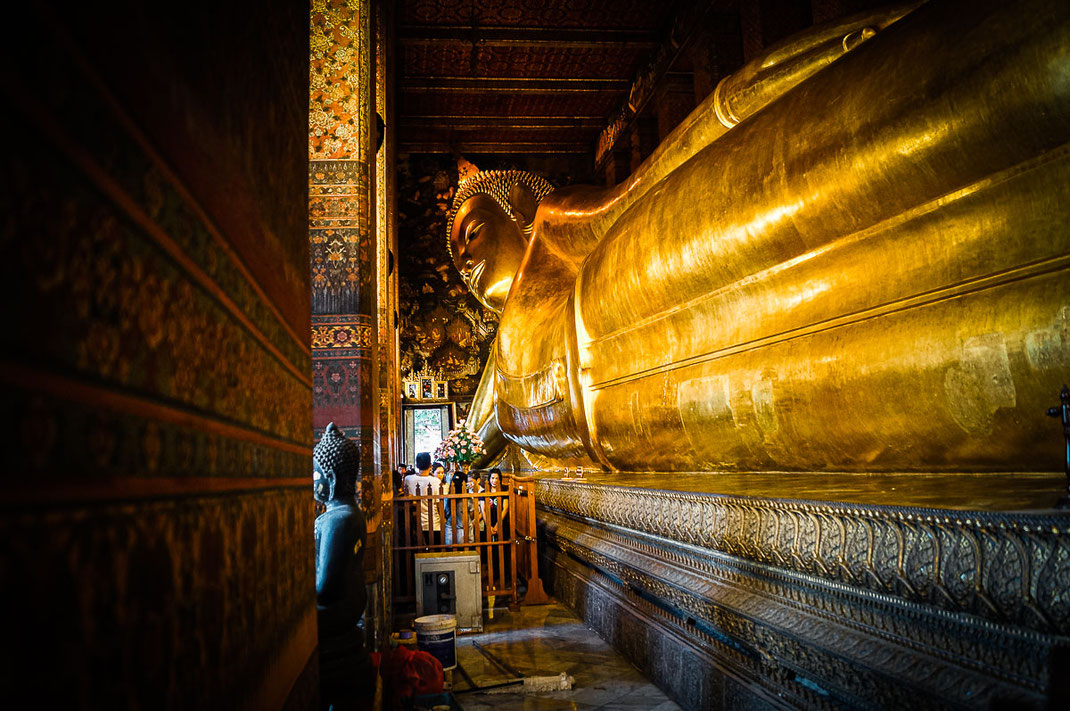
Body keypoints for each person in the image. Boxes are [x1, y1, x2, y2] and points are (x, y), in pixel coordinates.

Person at [451, 0, 1070, 475]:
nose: (466, 265)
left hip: (627, 288)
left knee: (848, 174)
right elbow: (480, 437)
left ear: (522, 208)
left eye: (471, 235)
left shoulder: (559, 227)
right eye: (456, 264)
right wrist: (454, 461)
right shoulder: (504, 364)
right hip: (648, 409)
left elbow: (642, 185)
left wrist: (757, 92)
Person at [313, 423, 373, 708]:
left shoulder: (338, 519)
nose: (314, 482)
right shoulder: (351, 513)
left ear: (332, 477)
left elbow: (325, 587)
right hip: (350, 612)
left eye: (316, 474)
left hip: (335, 616)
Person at [405, 452, 443, 545]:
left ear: (417, 465)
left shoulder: (408, 479)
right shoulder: (436, 481)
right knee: (434, 551)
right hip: (434, 522)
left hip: (415, 522)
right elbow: (439, 504)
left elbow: (408, 500)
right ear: (430, 465)